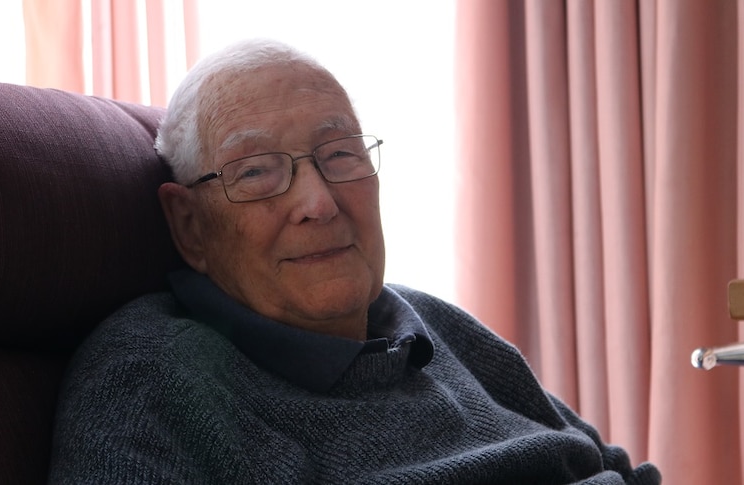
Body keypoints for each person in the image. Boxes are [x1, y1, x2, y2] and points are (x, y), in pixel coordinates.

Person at [48, 38, 661, 484]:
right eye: (257, 171)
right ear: (190, 226)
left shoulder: (430, 323)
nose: (317, 202)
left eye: (339, 154)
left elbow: (616, 468)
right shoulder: (153, 374)